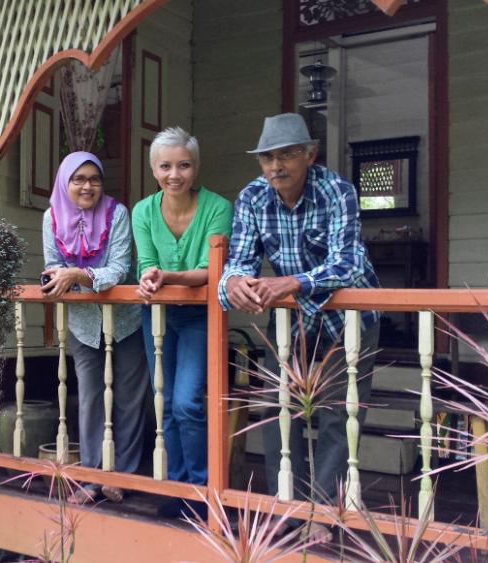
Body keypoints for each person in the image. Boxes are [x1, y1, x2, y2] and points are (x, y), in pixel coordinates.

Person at [218, 113, 381, 520]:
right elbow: (237, 262)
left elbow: (347, 264)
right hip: (293, 323)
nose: (276, 166)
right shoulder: (252, 197)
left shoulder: (336, 190)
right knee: (276, 407)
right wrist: (235, 281)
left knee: (337, 415)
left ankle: (324, 515)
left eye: (287, 154)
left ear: (310, 154)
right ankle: (286, 506)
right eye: (267, 157)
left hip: (351, 318)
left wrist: (291, 283)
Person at [42, 151, 150, 504]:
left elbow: (119, 268)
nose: (87, 186)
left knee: (129, 398)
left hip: (125, 320)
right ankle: (90, 477)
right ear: (65, 182)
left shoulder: (117, 213)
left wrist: (78, 275)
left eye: (95, 179)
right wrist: (61, 275)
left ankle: (122, 473)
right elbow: (52, 265)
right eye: (79, 179)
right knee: (89, 398)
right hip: (83, 324)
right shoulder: (51, 217)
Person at [131, 127, 233, 492]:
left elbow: (212, 272)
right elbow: (146, 261)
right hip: (156, 316)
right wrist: (148, 278)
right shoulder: (142, 211)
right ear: (153, 170)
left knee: (188, 402)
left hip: (198, 316)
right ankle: (177, 487)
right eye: (165, 166)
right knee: (166, 400)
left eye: (184, 165)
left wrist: (167, 274)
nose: (174, 175)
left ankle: (202, 488)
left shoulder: (218, 207)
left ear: (196, 168)